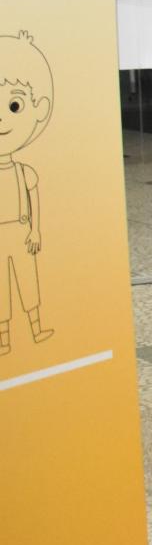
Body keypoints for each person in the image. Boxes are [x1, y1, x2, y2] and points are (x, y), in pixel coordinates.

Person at [0, 32, 56, 354]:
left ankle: (36, 327)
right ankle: (4, 338)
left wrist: (35, 229)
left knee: (27, 280)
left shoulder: (24, 171)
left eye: (14, 105)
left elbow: (33, 198)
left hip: (21, 231)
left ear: (39, 109)